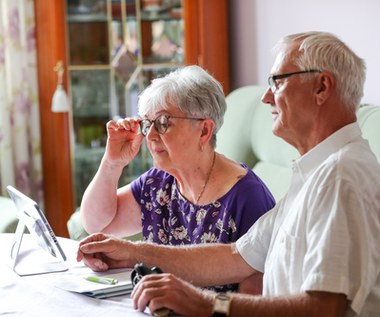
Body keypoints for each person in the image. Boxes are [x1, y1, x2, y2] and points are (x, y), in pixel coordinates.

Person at [77, 31, 380, 317]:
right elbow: (235, 257)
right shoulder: (317, 173)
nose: (265, 97)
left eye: (277, 81)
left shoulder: (342, 177)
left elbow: (323, 309)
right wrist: (130, 251)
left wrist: (205, 304)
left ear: (321, 87)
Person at [79, 65, 275, 291]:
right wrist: (112, 163)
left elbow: (254, 304)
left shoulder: (247, 198)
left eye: (163, 123)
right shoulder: (158, 183)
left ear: (204, 131)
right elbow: (97, 224)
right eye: (147, 124)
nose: (150, 136)